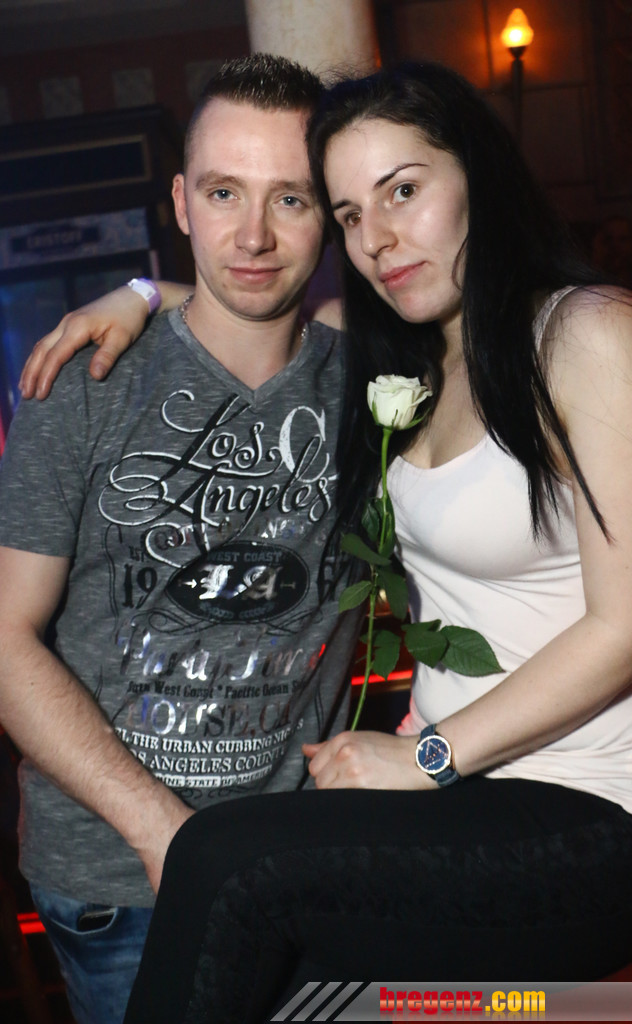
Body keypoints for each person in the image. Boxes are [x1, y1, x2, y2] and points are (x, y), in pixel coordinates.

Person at [19, 62, 632, 1021]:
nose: (375, 238)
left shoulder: (563, 336)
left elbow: (631, 606)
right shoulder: (392, 355)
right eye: (347, 211)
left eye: (400, 191)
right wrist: (139, 291)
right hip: (405, 814)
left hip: (552, 801)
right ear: (183, 202)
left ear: (476, 174)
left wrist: (425, 758)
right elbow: (241, 296)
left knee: (231, 869)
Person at [0, 53, 361, 1024]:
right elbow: (3, 637)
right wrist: (163, 831)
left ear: (330, 213)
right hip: (124, 878)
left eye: (290, 199)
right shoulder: (83, 381)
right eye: (222, 192)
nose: (252, 235)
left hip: (303, 858)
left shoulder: (371, 376)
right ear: (180, 202)